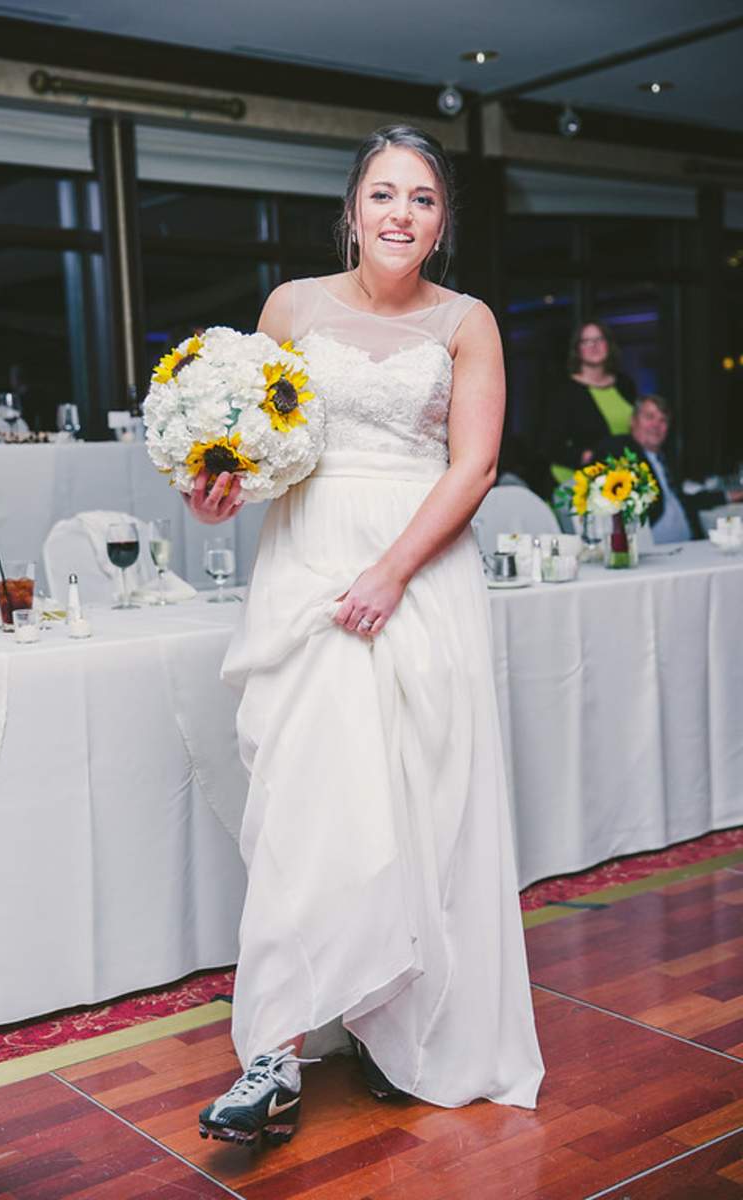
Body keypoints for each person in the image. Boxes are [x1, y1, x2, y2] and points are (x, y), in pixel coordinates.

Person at [185, 124, 545, 1146]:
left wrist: (390, 572)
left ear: (441, 221)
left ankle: (403, 1030)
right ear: (351, 210)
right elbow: (268, 447)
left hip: (419, 571)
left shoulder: (466, 321)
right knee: (302, 805)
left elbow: (473, 467)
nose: (400, 213)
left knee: (420, 803)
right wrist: (225, 488)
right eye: (383, 194)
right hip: (306, 568)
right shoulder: (291, 307)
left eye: (421, 198)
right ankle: (272, 1057)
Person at [597, 395, 743, 543]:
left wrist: (728, 496)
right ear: (633, 421)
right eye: (649, 417)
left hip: (688, 544)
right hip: (652, 549)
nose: (656, 425)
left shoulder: (666, 459)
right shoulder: (619, 450)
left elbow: (683, 500)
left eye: (663, 420)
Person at [547, 320, 637, 482]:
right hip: (577, 482)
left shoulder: (625, 384)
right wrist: (585, 456)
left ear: (608, 345)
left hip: (621, 477)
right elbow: (549, 446)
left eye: (599, 339)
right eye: (586, 341)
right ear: (578, 350)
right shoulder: (564, 391)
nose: (594, 346)